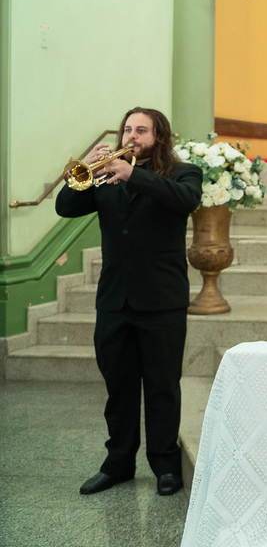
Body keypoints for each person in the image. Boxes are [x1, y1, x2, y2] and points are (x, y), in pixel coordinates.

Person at [55, 107, 202, 497]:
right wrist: (81, 174)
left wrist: (133, 174)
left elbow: (186, 200)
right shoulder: (104, 175)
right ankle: (117, 463)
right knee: (119, 389)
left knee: (162, 388)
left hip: (162, 301)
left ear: (159, 136)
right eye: (127, 129)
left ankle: (166, 466)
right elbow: (65, 208)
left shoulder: (184, 173)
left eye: (141, 130)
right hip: (115, 301)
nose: (132, 136)